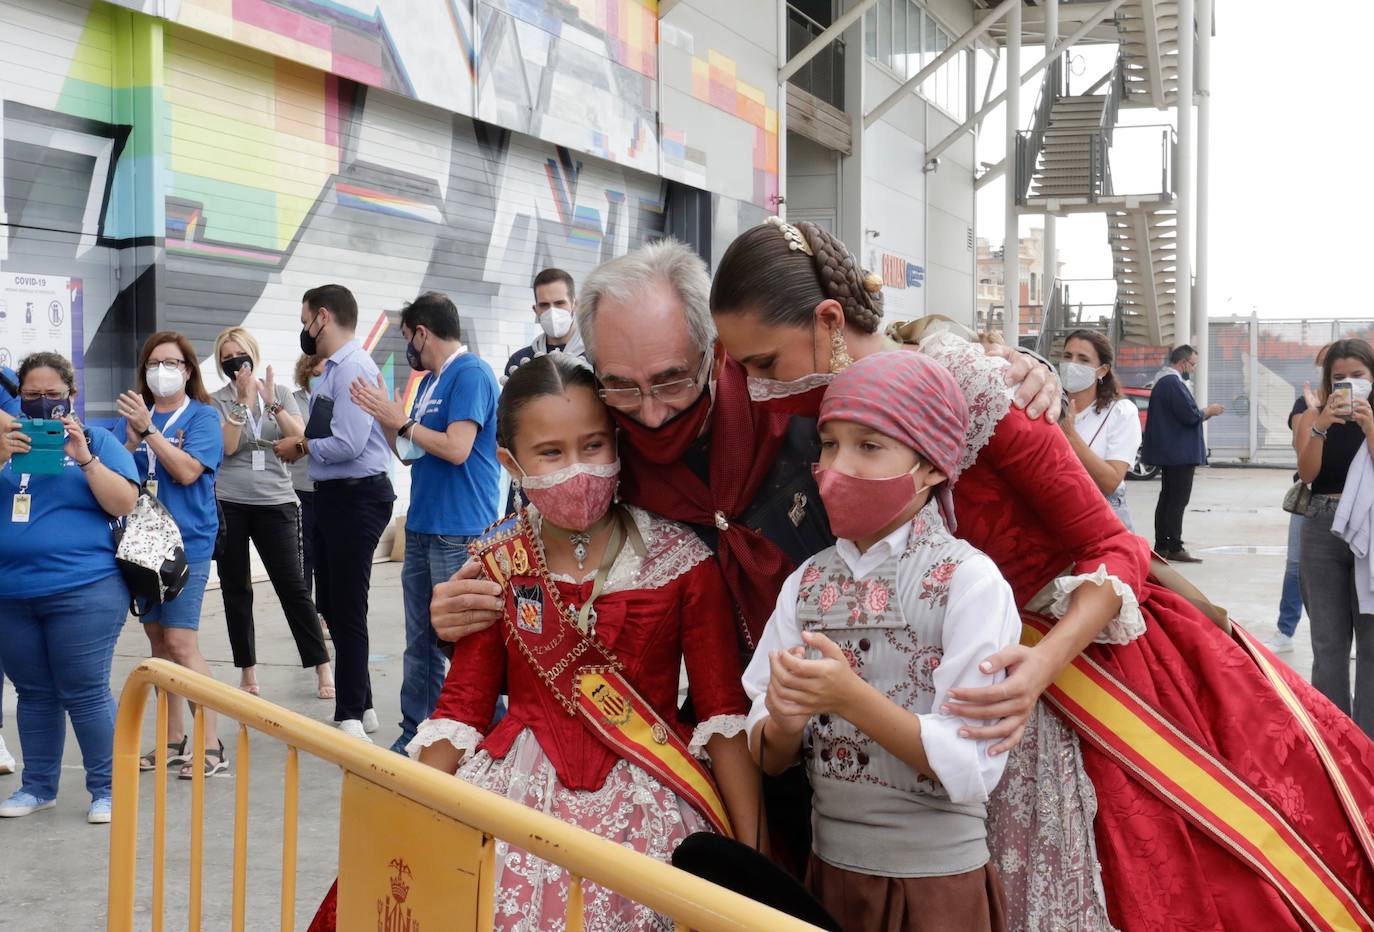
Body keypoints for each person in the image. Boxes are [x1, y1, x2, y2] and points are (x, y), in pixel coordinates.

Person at [703, 219, 1374, 929]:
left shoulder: (975, 386)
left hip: (1048, 679)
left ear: (829, 321)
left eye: (765, 363)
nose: (755, 387)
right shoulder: (815, 419)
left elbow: (1114, 544)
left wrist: (1038, 668)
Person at [310, 353, 758, 930]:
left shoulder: (682, 559)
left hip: (653, 803)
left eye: (594, 445)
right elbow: (462, 710)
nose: (577, 467)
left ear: (619, 445)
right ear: (510, 464)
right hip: (515, 800)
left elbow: (723, 714)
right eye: (551, 452)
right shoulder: (496, 562)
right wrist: (395, 821)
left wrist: (753, 861)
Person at [745, 351, 1019, 930]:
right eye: (828, 444)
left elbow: (970, 766)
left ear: (931, 467)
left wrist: (849, 698)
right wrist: (786, 723)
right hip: (829, 877)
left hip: (937, 889)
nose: (837, 466)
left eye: (869, 446)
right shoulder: (805, 582)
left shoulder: (969, 582)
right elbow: (768, 757)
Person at [349, 292, 499, 754]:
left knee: (464, 643)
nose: (407, 348)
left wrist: (405, 423)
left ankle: (488, 736)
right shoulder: (430, 381)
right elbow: (412, 454)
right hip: (423, 525)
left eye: (408, 338)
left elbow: (457, 447)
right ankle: (418, 730)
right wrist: (389, 422)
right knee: (421, 640)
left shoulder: (470, 373)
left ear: (421, 332)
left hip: (459, 528)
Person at [0, 352, 138, 823]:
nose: (41, 404)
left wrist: (86, 459)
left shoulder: (97, 438)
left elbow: (125, 502)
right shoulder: (5, 445)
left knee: (85, 689)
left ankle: (110, 789)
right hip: (12, 592)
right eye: (32, 395)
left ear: (70, 396)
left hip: (84, 588)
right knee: (33, 692)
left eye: (52, 395)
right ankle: (38, 786)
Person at [274, 285, 394, 741]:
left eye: (305, 319)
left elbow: (348, 442)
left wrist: (300, 445)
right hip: (330, 496)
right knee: (333, 604)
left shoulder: (354, 370)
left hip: (356, 496)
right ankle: (360, 705)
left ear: (322, 317)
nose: (304, 330)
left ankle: (348, 714)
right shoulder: (330, 373)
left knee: (347, 605)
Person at [114, 331, 227, 779]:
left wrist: (149, 433)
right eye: (154, 362)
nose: (162, 369)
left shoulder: (202, 417)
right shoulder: (131, 417)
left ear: (188, 370)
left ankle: (212, 741)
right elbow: (112, 469)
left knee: (182, 643)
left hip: (188, 544)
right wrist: (128, 440)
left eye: (173, 362)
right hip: (141, 544)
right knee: (159, 645)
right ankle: (172, 740)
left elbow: (184, 471)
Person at [209, 328, 333, 700]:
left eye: (240, 353)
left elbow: (302, 438)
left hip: (276, 501)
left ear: (253, 354)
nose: (235, 361)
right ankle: (247, 672)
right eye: (227, 355)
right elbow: (228, 447)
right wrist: (242, 403)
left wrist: (271, 405)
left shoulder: (277, 393)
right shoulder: (216, 400)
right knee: (236, 588)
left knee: (293, 587)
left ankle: (321, 665)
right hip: (230, 500)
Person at [1297, 339, 1374, 736]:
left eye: (1357, 376)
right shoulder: (1315, 414)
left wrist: (1369, 427)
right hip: (1322, 525)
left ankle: (1367, 744)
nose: (1348, 383)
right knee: (1328, 642)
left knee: (1371, 643)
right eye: (1339, 377)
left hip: (1370, 528)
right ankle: (1334, 739)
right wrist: (1321, 426)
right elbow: (1308, 474)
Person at [1267, 344, 1330, 654]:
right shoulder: (1304, 405)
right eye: (1326, 366)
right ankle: (1285, 630)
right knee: (1296, 564)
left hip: (1355, 499)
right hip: (1310, 498)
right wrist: (1312, 413)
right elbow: (1300, 451)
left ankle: (1356, 634)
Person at [1140, 344, 1224, 562]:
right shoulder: (1172, 383)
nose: (1193, 369)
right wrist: (1209, 411)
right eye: (1193, 364)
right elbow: (1190, 415)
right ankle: (1173, 545)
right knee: (1177, 500)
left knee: (1168, 498)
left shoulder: (1165, 381)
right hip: (1179, 454)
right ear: (1183, 362)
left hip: (1173, 453)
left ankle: (1163, 545)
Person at [1058, 329, 1142, 530]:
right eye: (1068, 356)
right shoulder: (1051, 406)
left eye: (1083, 359)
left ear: (1103, 370)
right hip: (1058, 513)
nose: (1072, 365)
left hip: (1103, 515)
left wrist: (1071, 436)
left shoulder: (1120, 413)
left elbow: (1111, 481)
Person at [289, 354, 326, 624]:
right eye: (315, 372)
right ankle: (306, 614)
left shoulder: (335, 398)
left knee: (326, 552)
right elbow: (295, 439)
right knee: (304, 554)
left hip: (327, 489)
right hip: (300, 488)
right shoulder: (294, 400)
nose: (320, 377)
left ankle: (325, 611)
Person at [501, 268, 585, 382]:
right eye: (544, 305)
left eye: (559, 303)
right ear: (535, 310)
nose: (552, 312)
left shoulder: (597, 357)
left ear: (575, 305)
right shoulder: (520, 362)